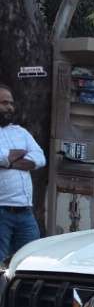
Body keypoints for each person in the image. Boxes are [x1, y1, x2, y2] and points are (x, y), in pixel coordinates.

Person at [0, 84, 44, 263]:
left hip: (25, 212)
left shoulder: (20, 132)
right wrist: (11, 157)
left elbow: (39, 158)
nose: (10, 107)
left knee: (29, 260)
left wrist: (9, 162)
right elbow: (3, 157)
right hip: (1, 211)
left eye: (11, 103)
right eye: (4, 103)